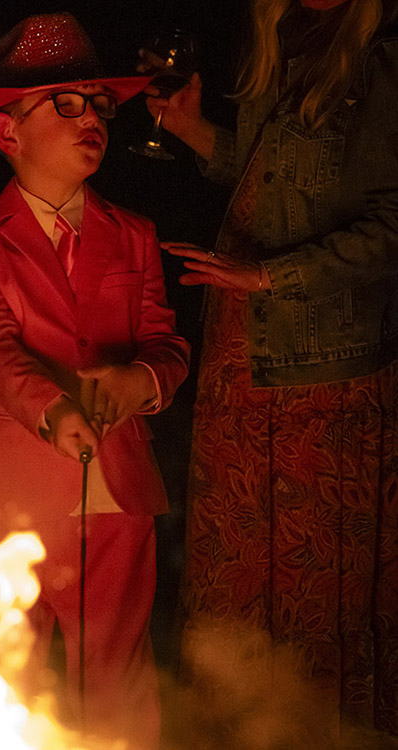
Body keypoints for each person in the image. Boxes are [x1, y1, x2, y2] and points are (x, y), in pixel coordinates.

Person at [0, 12, 190, 749]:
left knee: (116, 682)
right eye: (66, 104)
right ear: (7, 133)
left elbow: (167, 342)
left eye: (100, 106)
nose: (93, 120)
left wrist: (144, 379)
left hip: (116, 492)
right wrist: (50, 408)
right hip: (4, 496)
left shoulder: (133, 231)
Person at [145, 0, 398, 741]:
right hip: (242, 357)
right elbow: (271, 180)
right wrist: (194, 132)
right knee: (236, 583)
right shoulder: (280, 42)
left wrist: (268, 278)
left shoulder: (382, 58)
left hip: (325, 372)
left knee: (318, 590)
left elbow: (392, 226)